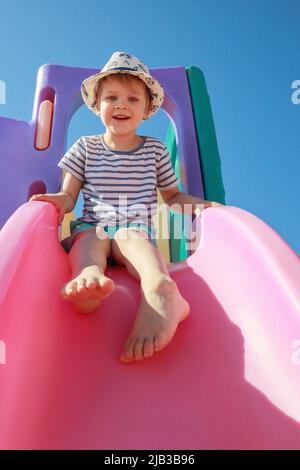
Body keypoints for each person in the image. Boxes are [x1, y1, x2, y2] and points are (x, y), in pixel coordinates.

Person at [30, 51, 223, 363]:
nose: (122, 104)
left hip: (135, 229)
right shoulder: (85, 147)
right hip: (92, 225)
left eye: (133, 99)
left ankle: (160, 288)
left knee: (132, 238)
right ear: (98, 105)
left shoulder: (155, 150)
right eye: (112, 97)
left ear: (147, 109)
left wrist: (202, 206)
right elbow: (69, 196)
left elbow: (173, 197)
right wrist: (57, 202)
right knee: (91, 240)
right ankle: (89, 276)